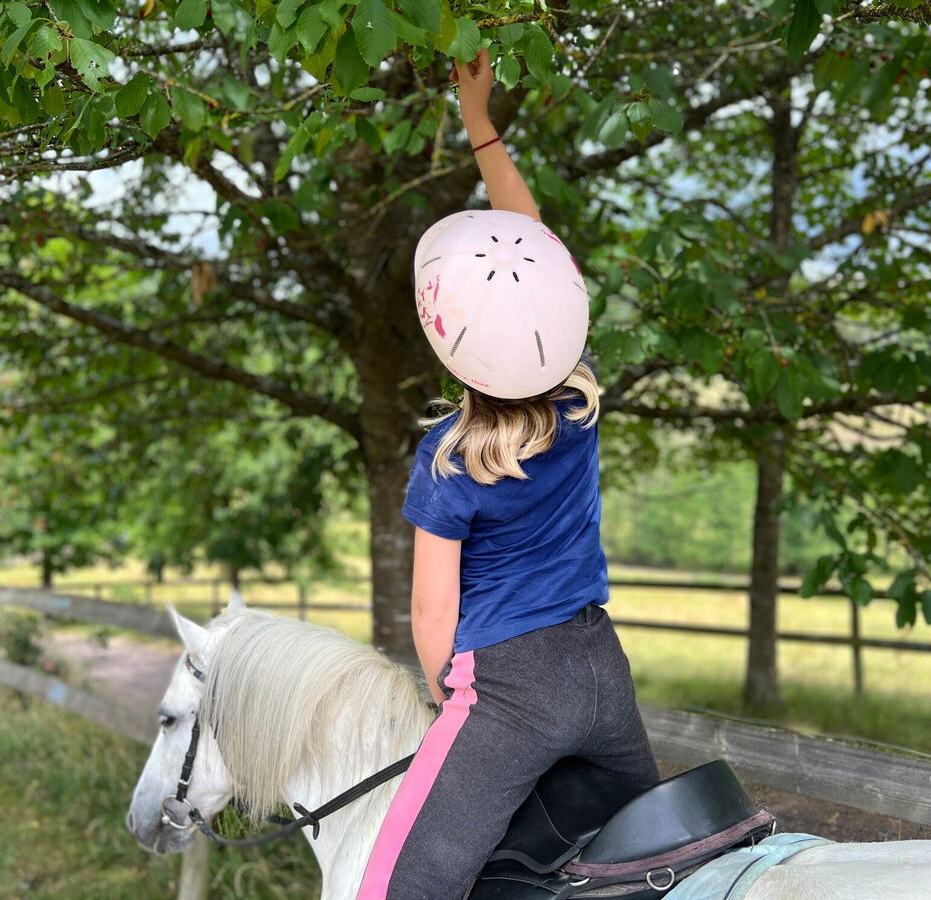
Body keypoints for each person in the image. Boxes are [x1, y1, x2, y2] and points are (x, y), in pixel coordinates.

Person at [356, 48, 660, 900]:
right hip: (602, 669)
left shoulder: (449, 458)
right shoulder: (579, 395)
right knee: (648, 867)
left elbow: (431, 618)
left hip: (510, 690)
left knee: (397, 888)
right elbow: (531, 245)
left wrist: (449, 708)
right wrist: (479, 120)